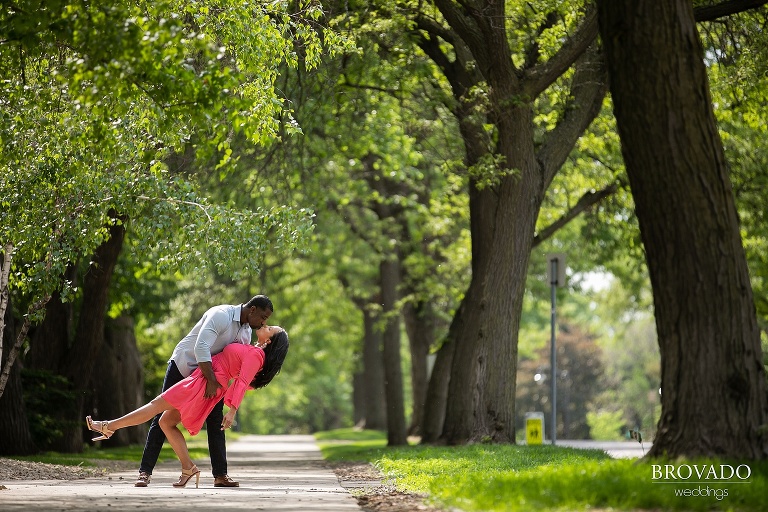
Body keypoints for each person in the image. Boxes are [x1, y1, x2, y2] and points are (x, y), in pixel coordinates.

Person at [86, 328, 289, 488]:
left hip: (206, 383)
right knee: (165, 421)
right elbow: (241, 380)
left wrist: (232, 410)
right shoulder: (252, 349)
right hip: (204, 379)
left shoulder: (256, 356)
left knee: (156, 406)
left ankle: (108, 426)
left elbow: (243, 382)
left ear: (269, 341)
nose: (264, 325)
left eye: (269, 328)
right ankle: (188, 468)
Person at [132, 294, 278, 488]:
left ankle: (220, 475)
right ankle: (145, 472)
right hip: (185, 365)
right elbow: (202, 346)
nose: (263, 322)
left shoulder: (246, 334)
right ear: (252, 310)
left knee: (215, 420)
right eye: (263, 317)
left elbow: (234, 362)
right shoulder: (221, 315)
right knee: (161, 415)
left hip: (210, 377)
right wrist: (210, 380)